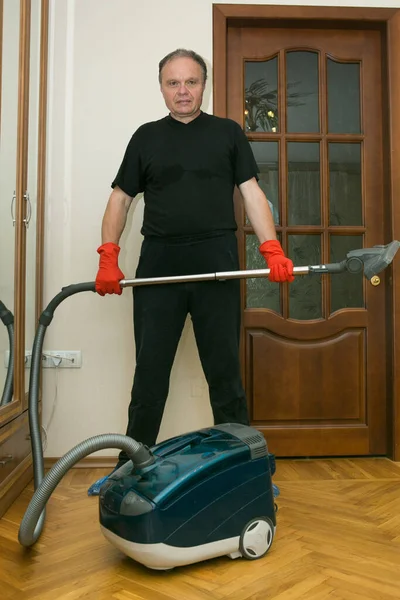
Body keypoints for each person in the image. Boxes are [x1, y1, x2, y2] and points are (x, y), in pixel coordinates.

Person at [87, 49, 293, 495]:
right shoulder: (145, 138)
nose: (183, 91)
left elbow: (252, 194)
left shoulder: (227, 133)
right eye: (173, 83)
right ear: (161, 87)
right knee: (150, 374)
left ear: (205, 84)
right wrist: (108, 255)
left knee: (224, 374)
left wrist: (270, 247)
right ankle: (128, 471)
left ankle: (243, 470)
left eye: (191, 82)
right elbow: (120, 200)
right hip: (160, 265)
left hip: (216, 263)